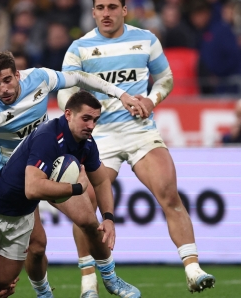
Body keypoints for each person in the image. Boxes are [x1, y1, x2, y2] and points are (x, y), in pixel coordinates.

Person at [0, 52, 141, 298]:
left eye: (7, 80)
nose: (3, 89)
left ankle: (110, 278)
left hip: (52, 162)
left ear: (17, 74)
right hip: (16, 177)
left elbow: (79, 78)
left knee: (88, 221)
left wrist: (121, 94)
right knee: (38, 246)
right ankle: (44, 295)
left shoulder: (40, 79)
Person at [58, 0, 215, 295]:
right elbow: (65, 90)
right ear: (92, 12)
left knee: (169, 193)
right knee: (86, 203)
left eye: (113, 7)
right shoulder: (79, 48)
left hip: (139, 131)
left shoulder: (146, 39)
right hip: (98, 136)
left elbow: (165, 78)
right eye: (101, 7)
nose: (107, 13)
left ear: (124, 10)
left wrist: (150, 101)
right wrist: (80, 116)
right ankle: (89, 281)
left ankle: (193, 269)